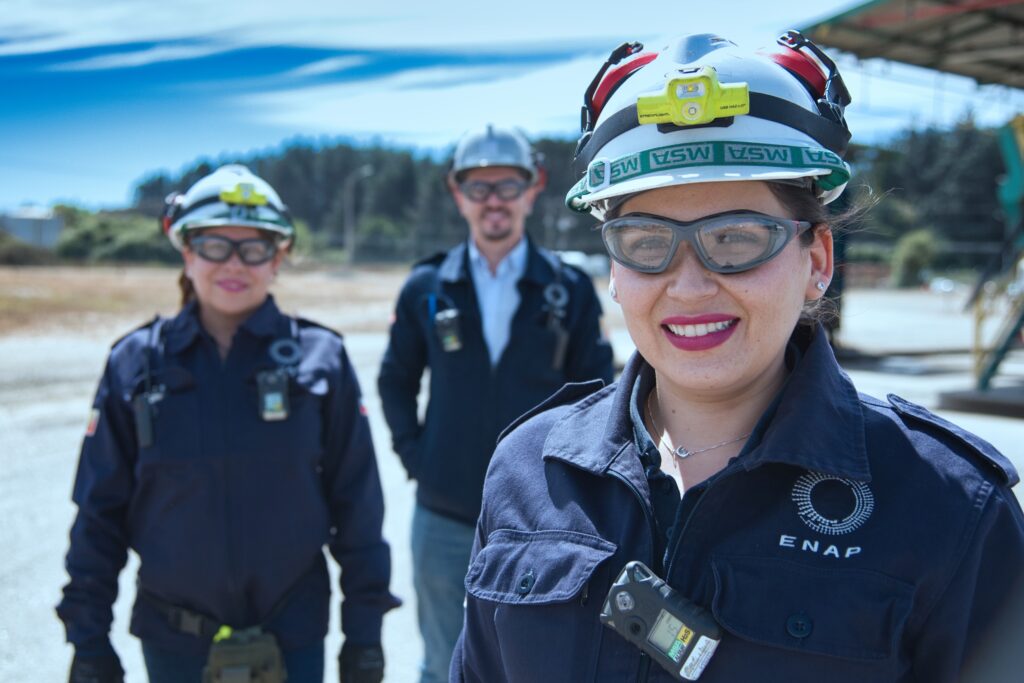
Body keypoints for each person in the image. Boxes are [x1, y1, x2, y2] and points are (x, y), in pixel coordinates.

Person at [452, 33, 1024, 682]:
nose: (689, 285)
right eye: (645, 240)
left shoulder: (947, 508)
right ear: (614, 267)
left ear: (817, 261)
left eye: (735, 238)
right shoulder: (529, 470)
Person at [56, 164, 400, 683]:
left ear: (278, 256)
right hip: (174, 645)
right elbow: (99, 512)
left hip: (293, 638)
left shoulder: (321, 359)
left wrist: (365, 636)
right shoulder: (133, 363)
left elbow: (358, 508)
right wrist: (88, 640)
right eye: (216, 245)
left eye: (255, 247)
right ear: (186, 249)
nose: (234, 263)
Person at [377, 125, 615, 682]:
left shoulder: (568, 289)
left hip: (541, 518)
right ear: (457, 194)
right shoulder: (427, 287)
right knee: (442, 660)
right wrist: (420, 460)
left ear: (534, 189)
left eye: (508, 185)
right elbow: (395, 382)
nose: (493, 201)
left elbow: (598, 395)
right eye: (477, 187)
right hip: (443, 515)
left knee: (533, 663)